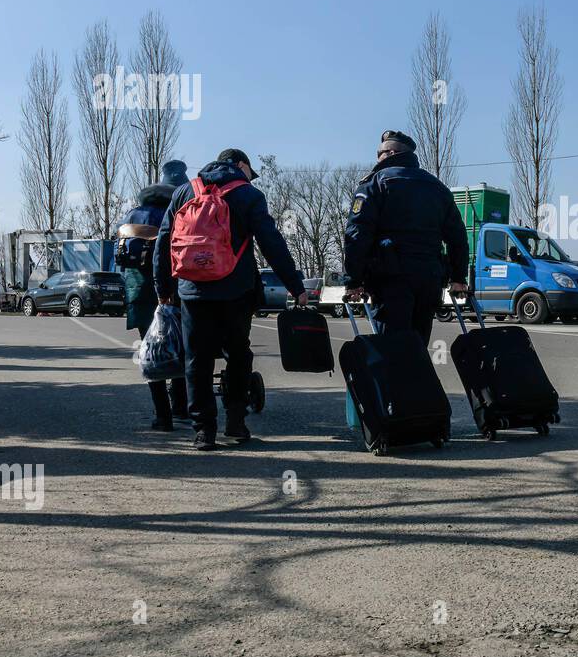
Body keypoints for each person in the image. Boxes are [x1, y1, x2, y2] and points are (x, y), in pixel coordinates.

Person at [155, 149, 308, 451]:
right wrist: (295, 285)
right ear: (239, 165)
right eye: (251, 171)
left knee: (197, 359)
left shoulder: (186, 191)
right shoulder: (248, 195)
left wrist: (163, 288)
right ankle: (236, 422)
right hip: (236, 292)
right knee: (238, 353)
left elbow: (164, 240)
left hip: (192, 291)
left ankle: (203, 431)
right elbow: (271, 243)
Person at [342, 130, 469, 345]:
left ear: (391, 152)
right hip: (429, 280)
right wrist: (458, 277)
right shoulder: (437, 187)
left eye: (379, 153)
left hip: (391, 280)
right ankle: (417, 378)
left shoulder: (375, 184)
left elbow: (357, 233)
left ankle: (394, 379)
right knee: (418, 347)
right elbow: (457, 236)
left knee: (392, 349)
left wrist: (353, 280)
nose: (377, 158)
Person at [118, 160, 189, 431]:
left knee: (152, 349)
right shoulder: (182, 213)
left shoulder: (133, 215)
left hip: (139, 294)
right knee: (178, 346)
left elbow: (122, 259)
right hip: (177, 291)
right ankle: (181, 407)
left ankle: (163, 415)